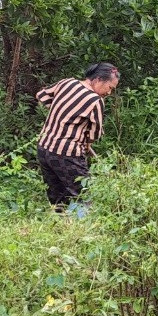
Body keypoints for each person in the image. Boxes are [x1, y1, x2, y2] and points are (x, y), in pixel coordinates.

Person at [35, 62, 119, 214]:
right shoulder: (95, 100)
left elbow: (42, 96)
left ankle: (61, 225)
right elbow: (94, 133)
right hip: (67, 153)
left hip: (44, 148)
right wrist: (87, 145)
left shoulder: (67, 82)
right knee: (84, 194)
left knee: (57, 195)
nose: (109, 93)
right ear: (98, 79)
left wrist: (62, 112)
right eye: (110, 88)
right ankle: (84, 231)